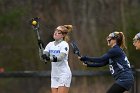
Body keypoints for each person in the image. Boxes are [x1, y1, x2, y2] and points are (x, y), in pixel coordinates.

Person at [41, 25, 72, 93]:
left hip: (64, 74)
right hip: (54, 75)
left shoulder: (64, 44)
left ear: (63, 35)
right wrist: (41, 49)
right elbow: (43, 57)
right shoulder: (50, 44)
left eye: (59, 32)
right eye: (56, 30)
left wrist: (49, 58)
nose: (55, 33)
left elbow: (60, 58)